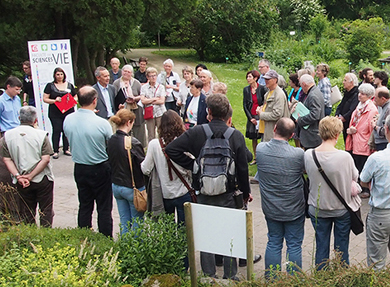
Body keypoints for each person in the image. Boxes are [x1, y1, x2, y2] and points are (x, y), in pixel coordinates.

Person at [165, 93, 252, 281]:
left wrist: (195, 167)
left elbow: (171, 149)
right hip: (228, 193)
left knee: (206, 234)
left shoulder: (197, 132)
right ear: (227, 112)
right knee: (230, 234)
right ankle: (231, 276)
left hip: (203, 192)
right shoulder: (235, 135)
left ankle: (208, 276)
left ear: (208, 111)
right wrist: (246, 193)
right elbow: (243, 167)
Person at [305, 116, 360, 270]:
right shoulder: (345, 157)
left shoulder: (309, 155)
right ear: (337, 134)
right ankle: (341, 276)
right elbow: (355, 177)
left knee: (321, 245)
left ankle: (321, 278)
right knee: (342, 247)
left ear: (320, 133)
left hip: (317, 208)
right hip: (341, 208)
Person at [256, 118, 305, 277]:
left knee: (274, 243)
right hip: (294, 208)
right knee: (294, 246)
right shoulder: (298, 154)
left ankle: (272, 280)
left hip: (271, 208)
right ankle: (293, 280)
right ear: (291, 135)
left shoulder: (261, 149)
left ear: (275, 128)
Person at [63, 86, 113, 237]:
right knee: (104, 207)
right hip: (100, 167)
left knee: (84, 205)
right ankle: (105, 239)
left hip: (80, 167)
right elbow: (110, 143)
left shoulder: (68, 119)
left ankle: (83, 237)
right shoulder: (102, 123)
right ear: (95, 101)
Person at [0, 106, 54, 227]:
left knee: (27, 211)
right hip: (42, 178)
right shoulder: (41, 135)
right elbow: (45, 159)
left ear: (19, 118)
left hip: (20, 179)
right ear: (35, 120)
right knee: (46, 209)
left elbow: (7, 159)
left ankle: (31, 234)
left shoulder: (7, 136)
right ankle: (47, 234)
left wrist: (18, 176)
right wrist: (31, 176)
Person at [141, 110, 192, 224]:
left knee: (167, 231)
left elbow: (146, 169)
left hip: (165, 194)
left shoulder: (154, 144)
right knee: (185, 231)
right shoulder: (183, 142)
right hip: (184, 191)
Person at [107, 109, 145, 236]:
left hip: (116, 185)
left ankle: (124, 248)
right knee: (137, 222)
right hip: (132, 187)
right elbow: (142, 167)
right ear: (129, 122)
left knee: (124, 221)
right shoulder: (132, 142)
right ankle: (135, 251)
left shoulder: (111, 140)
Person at [360, 115, 390, 271]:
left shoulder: (376, 158)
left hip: (381, 213)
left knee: (376, 264)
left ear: (386, 130)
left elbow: (363, 180)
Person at [345, 83, 378, 198]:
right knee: (356, 164)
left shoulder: (371, 109)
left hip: (363, 142)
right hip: (355, 140)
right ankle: (358, 186)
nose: (360, 95)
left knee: (363, 165)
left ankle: (365, 189)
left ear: (369, 96)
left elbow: (371, 130)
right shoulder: (359, 106)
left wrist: (357, 131)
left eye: (363, 94)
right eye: (359, 93)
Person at [43, 67, 76, 159]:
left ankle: (66, 148)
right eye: (57, 74)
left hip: (68, 111)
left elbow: (75, 96)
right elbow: (45, 98)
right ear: (54, 75)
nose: (60, 76)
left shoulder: (69, 85)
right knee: (57, 129)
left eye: (61, 74)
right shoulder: (50, 86)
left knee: (66, 130)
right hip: (55, 112)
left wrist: (72, 102)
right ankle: (55, 150)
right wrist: (54, 100)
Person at [113, 64, 146, 147]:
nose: (126, 73)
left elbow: (142, 95)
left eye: (129, 72)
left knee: (137, 128)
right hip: (123, 109)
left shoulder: (136, 83)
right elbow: (114, 96)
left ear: (131, 73)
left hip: (135, 109)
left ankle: (139, 146)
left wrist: (134, 98)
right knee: (124, 126)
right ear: (122, 72)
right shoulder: (116, 83)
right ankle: (124, 146)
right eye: (125, 71)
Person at [256, 70, 290, 142]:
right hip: (266, 130)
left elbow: (277, 114)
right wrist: (261, 108)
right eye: (265, 79)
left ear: (275, 80)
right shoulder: (268, 93)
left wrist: (261, 114)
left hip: (274, 134)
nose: (266, 81)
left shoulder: (279, 94)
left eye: (268, 79)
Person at [243, 70, 267, 163]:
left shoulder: (262, 89)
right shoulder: (246, 89)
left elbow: (265, 102)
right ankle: (256, 157)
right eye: (247, 77)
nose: (248, 79)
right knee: (253, 137)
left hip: (260, 115)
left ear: (255, 78)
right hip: (251, 115)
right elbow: (245, 104)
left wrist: (261, 114)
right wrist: (250, 118)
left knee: (262, 136)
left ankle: (263, 157)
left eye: (250, 77)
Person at [296, 74, 325, 149]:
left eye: (301, 86)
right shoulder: (315, 91)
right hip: (314, 133)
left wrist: (300, 120)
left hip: (312, 135)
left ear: (304, 84)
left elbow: (315, 115)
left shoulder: (313, 95)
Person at [141, 67, 166, 142]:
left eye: (154, 75)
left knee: (161, 133)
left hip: (160, 112)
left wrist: (148, 100)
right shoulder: (144, 87)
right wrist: (154, 99)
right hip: (149, 113)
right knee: (151, 134)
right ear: (147, 77)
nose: (153, 77)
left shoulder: (161, 87)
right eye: (151, 76)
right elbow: (143, 100)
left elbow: (162, 101)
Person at [335, 73, 359, 143]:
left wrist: (344, 117)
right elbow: (340, 105)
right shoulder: (347, 92)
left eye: (345, 80)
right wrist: (337, 114)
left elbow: (353, 109)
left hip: (350, 122)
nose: (343, 82)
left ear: (351, 82)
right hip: (344, 122)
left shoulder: (356, 94)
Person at [371, 87, 390, 151]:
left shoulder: (388, 109)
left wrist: (375, 126)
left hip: (384, 143)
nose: (374, 100)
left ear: (383, 99)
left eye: (376, 98)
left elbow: (386, 129)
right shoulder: (384, 107)